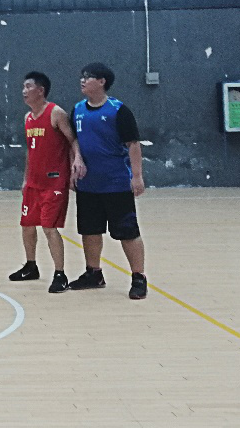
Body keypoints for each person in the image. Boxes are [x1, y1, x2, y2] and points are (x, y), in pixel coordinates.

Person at [69, 63, 149, 300]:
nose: (83, 81)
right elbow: (74, 140)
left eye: (88, 77)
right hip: (87, 183)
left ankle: (139, 277)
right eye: (82, 77)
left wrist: (137, 177)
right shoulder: (77, 110)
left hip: (116, 183)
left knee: (127, 232)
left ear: (102, 81)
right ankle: (93, 273)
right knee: (90, 230)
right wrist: (76, 161)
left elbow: (133, 144)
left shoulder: (118, 110)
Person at [8, 72, 84, 294]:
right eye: (23, 87)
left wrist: (77, 161)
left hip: (54, 182)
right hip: (34, 182)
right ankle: (31, 266)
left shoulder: (56, 113)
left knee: (49, 228)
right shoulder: (28, 118)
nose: (24, 91)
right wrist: (26, 179)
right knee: (27, 225)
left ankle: (60, 274)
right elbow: (30, 151)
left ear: (40, 90)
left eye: (28, 87)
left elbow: (73, 140)